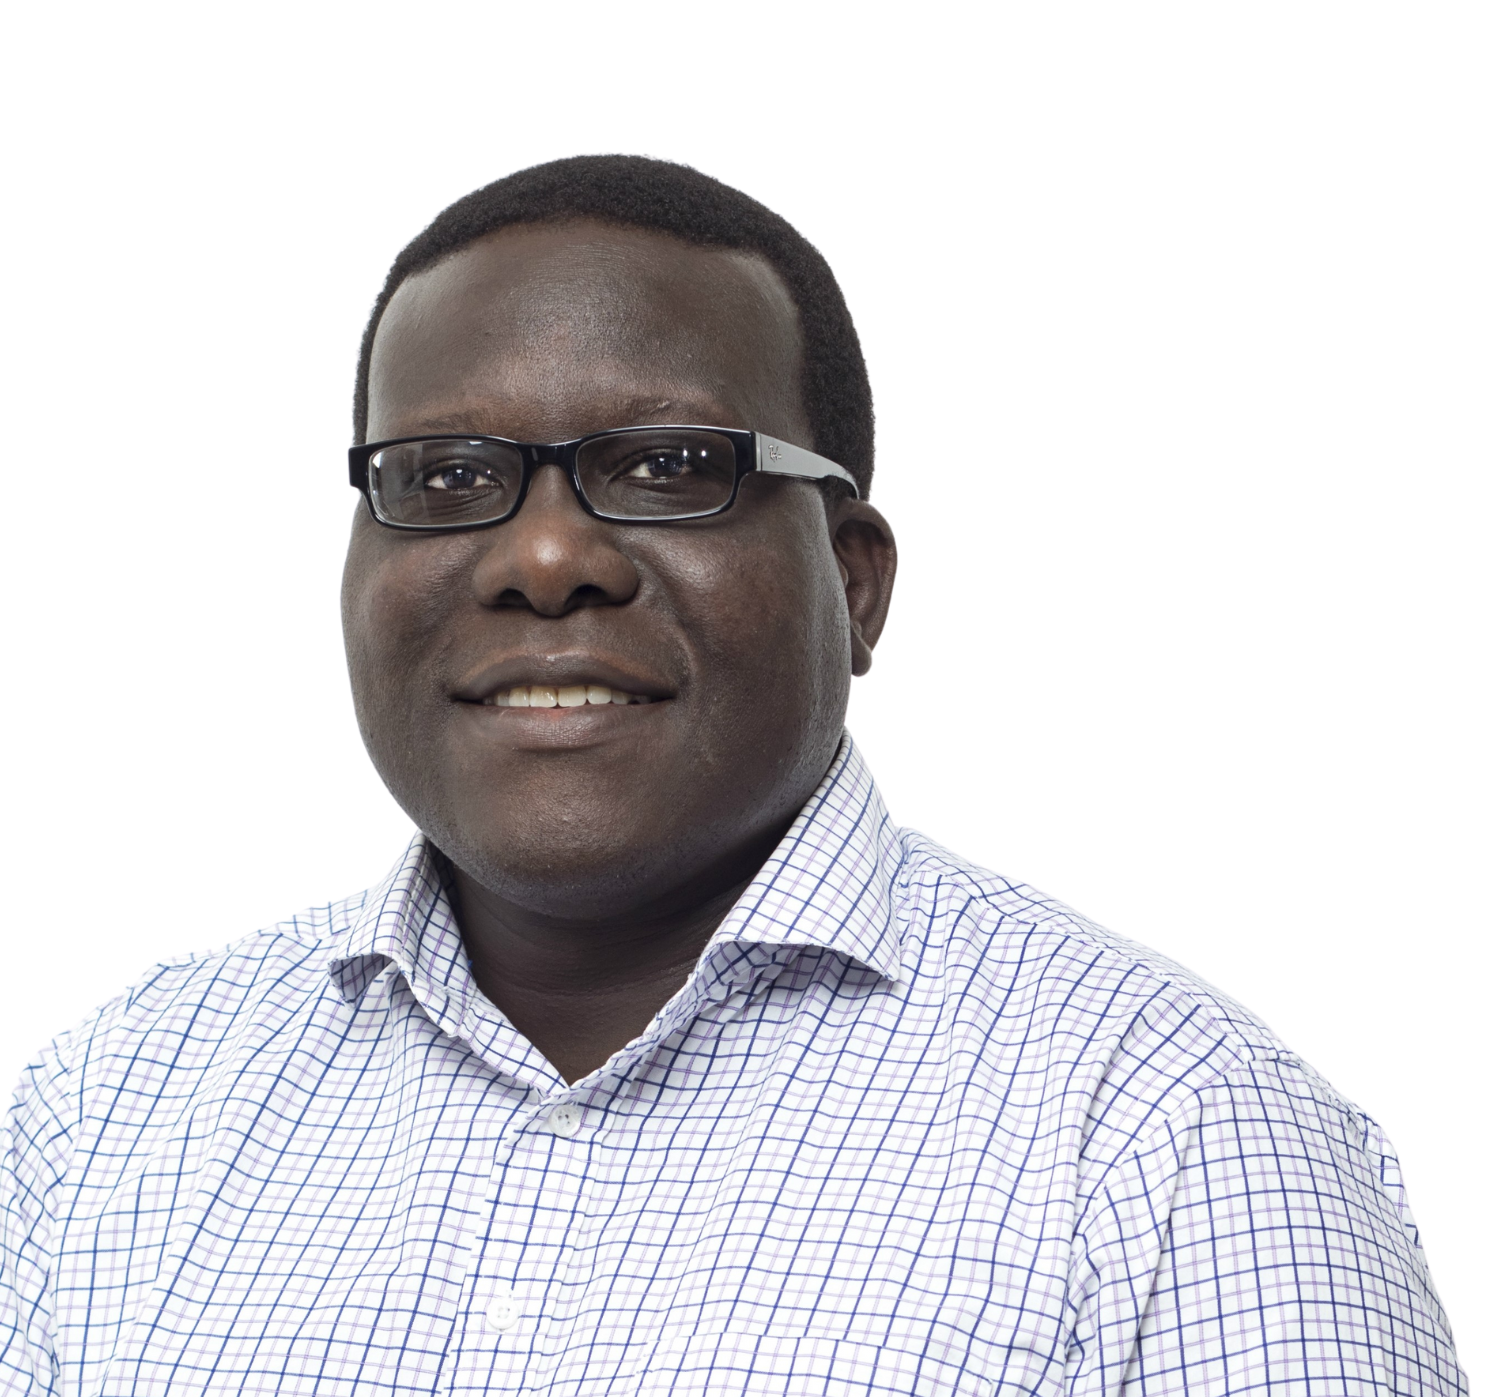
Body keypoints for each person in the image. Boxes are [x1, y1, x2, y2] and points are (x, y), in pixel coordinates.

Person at [0, 154, 1466, 1395]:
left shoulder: (1177, 1140)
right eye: (446, 479)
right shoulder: (121, 1102)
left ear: (858, 581)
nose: (548, 558)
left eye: (668, 465)